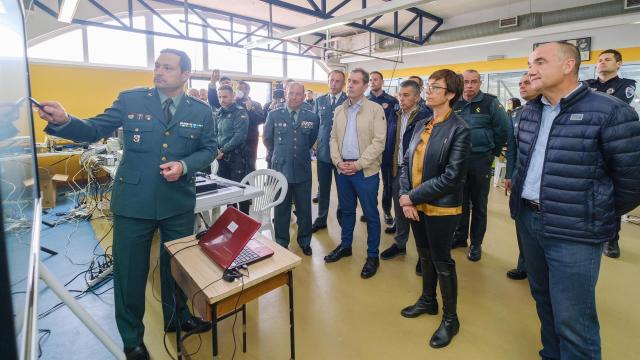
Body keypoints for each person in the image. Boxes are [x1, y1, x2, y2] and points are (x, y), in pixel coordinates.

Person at [36, 49, 216, 360]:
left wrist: (185, 166)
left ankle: (178, 317)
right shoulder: (131, 100)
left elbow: (209, 149)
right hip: (134, 202)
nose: (158, 72)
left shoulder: (201, 111)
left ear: (185, 75)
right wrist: (66, 121)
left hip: (177, 202)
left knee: (178, 267)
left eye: (168, 68)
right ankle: (132, 339)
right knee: (130, 273)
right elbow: (94, 128)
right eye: (157, 66)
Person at [511, 42, 640, 359]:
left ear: (568, 66)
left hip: (576, 230)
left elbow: (632, 180)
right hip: (529, 220)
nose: (531, 69)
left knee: (574, 317)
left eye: (539, 62)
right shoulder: (529, 111)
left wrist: (594, 212)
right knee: (543, 299)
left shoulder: (610, 112)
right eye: (530, 63)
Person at [398, 69, 470, 349]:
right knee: (424, 255)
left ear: (450, 94)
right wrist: (407, 195)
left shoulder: (460, 129)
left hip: (441, 208)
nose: (428, 92)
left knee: (442, 260)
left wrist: (410, 197)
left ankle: (451, 318)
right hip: (415, 203)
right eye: (428, 87)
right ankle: (428, 301)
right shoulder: (422, 124)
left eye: (435, 87)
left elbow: (452, 178)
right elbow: (406, 162)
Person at [324, 68, 386, 279]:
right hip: (343, 169)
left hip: (365, 171)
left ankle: (372, 256)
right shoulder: (340, 110)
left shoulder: (375, 110)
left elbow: (379, 142)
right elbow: (332, 138)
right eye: (349, 81)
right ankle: (346, 245)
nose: (350, 85)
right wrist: (338, 161)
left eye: (356, 82)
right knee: (347, 211)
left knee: (370, 214)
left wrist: (358, 164)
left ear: (366, 86)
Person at [585, 48, 637, 259]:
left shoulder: (626, 85)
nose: (602, 63)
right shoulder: (588, 84)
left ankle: (612, 238)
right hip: (588, 143)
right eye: (600, 60)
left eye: (607, 60)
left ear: (619, 64)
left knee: (608, 192)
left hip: (613, 144)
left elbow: (616, 109)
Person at [452, 69, 509, 261]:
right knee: (460, 202)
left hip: (480, 160)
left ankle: (476, 243)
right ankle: (460, 238)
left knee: (478, 204)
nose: (469, 86)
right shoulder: (454, 102)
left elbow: (503, 130)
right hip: (458, 161)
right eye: (466, 82)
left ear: (480, 83)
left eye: (473, 82)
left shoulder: (490, 103)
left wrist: (491, 152)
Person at [379, 80, 432, 276]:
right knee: (400, 210)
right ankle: (400, 244)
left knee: (419, 213)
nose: (401, 98)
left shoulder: (427, 116)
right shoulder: (394, 113)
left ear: (417, 97)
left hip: (418, 172)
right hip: (396, 169)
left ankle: (423, 255)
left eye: (406, 95)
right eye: (400, 95)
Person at [263, 82, 319, 255]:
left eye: (298, 94)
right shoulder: (273, 115)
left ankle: (305, 241)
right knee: (281, 208)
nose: (294, 97)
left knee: (304, 208)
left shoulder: (312, 117)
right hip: (281, 168)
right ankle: (281, 241)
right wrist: (279, 153)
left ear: (303, 96)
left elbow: (311, 140)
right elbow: (267, 139)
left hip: (302, 168)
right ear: (285, 95)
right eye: (291, 93)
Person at [504, 74, 540, 281]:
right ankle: (523, 264)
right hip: (520, 177)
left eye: (527, 83)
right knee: (521, 222)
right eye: (519, 84)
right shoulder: (516, 114)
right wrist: (509, 174)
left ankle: (539, 268)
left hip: (540, 180)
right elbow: (512, 148)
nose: (522, 87)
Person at [311, 70, 347, 233]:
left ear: (343, 84)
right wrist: (313, 143)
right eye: (331, 80)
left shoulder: (349, 101)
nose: (334, 84)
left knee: (343, 191)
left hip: (343, 155)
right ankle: (321, 219)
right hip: (324, 153)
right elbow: (315, 124)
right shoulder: (320, 101)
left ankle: (342, 219)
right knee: (323, 188)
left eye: (338, 81)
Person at [368, 70, 399, 229]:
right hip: (369, 147)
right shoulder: (365, 100)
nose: (373, 82)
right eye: (371, 80)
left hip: (387, 148)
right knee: (370, 181)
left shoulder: (392, 101)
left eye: (376, 79)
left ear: (382, 81)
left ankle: (386, 211)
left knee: (388, 182)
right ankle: (369, 210)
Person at [214, 85, 250, 213]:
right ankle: (232, 219)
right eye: (220, 96)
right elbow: (215, 133)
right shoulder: (219, 112)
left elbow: (239, 136)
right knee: (227, 191)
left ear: (233, 96)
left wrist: (222, 150)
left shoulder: (240, 112)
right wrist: (216, 149)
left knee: (241, 190)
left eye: (225, 96)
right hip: (221, 158)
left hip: (236, 158)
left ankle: (245, 219)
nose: (222, 99)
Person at [236, 80, 265, 173]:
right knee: (237, 165)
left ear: (247, 90)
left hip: (250, 139)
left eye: (240, 89)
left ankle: (251, 185)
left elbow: (261, 119)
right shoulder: (234, 103)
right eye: (237, 89)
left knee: (251, 163)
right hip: (236, 139)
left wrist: (250, 110)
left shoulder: (256, 104)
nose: (238, 91)